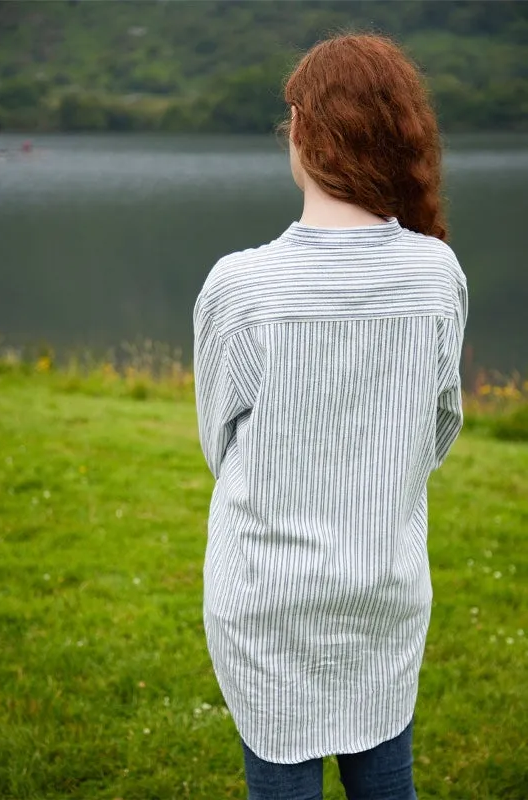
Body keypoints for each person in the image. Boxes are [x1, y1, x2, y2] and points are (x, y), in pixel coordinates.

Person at [193, 31, 468, 800]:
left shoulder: (240, 286)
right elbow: (437, 430)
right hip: (384, 585)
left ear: (301, 126)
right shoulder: (435, 272)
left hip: (265, 601)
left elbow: (221, 444)